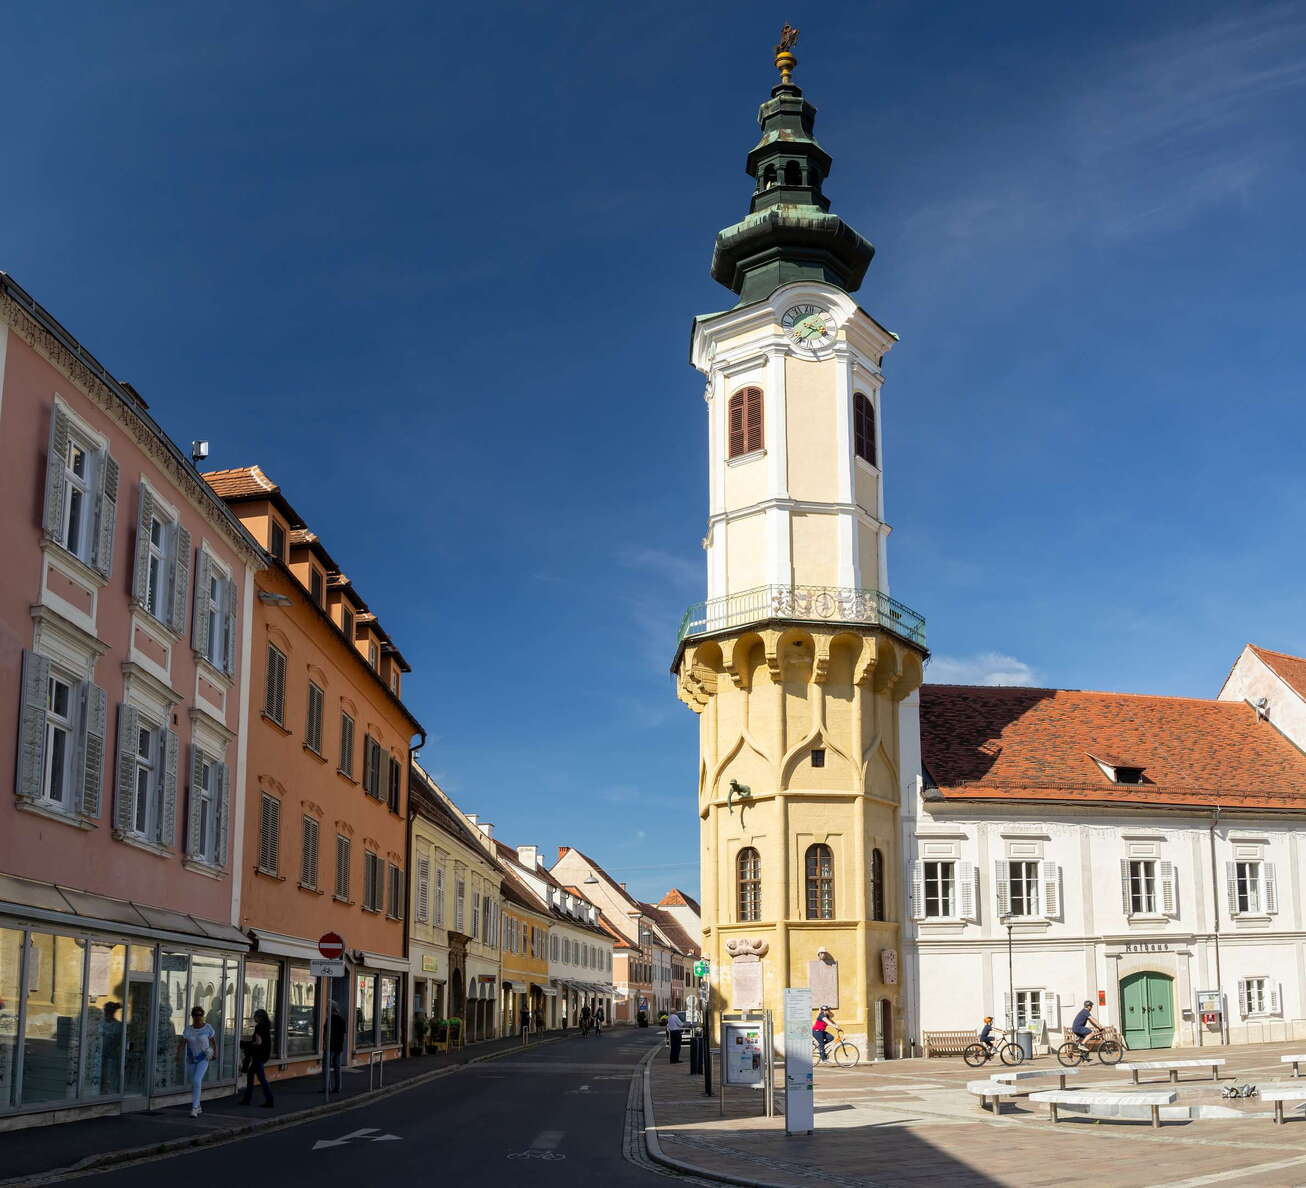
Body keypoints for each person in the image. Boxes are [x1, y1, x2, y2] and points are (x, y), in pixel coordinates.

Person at [182, 1006, 216, 1117]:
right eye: (196, 1015)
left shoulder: (208, 1028)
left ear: (203, 1015)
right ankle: (199, 1106)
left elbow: (213, 1041)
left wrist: (215, 1053)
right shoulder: (188, 1029)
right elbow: (183, 1043)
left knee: (197, 1080)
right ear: (192, 1016)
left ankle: (194, 1108)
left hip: (203, 1058)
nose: (198, 1017)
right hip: (191, 1058)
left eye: (200, 1015)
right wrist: (177, 1055)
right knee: (194, 1082)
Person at [239, 1009, 274, 1107]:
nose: (254, 1017)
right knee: (251, 1076)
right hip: (263, 1055)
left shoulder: (259, 1027)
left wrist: (246, 1045)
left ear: (260, 1017)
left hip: (258, 1055)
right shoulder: (266, 1026)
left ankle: (269, 1100)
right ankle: (247, 1099)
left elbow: (258, 1042)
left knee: (261, 1079)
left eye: (255, 1016)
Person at [327, 1003, 346, 1093]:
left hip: (330, 1047)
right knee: (337, 1069)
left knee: (327, 1068)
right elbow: (343, 1035)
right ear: (337, 1011)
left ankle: (327, 1087)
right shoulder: (342, 1020)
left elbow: (326, 1034)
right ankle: (338, 1087)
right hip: (338, 1048)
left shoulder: (329, 1020)